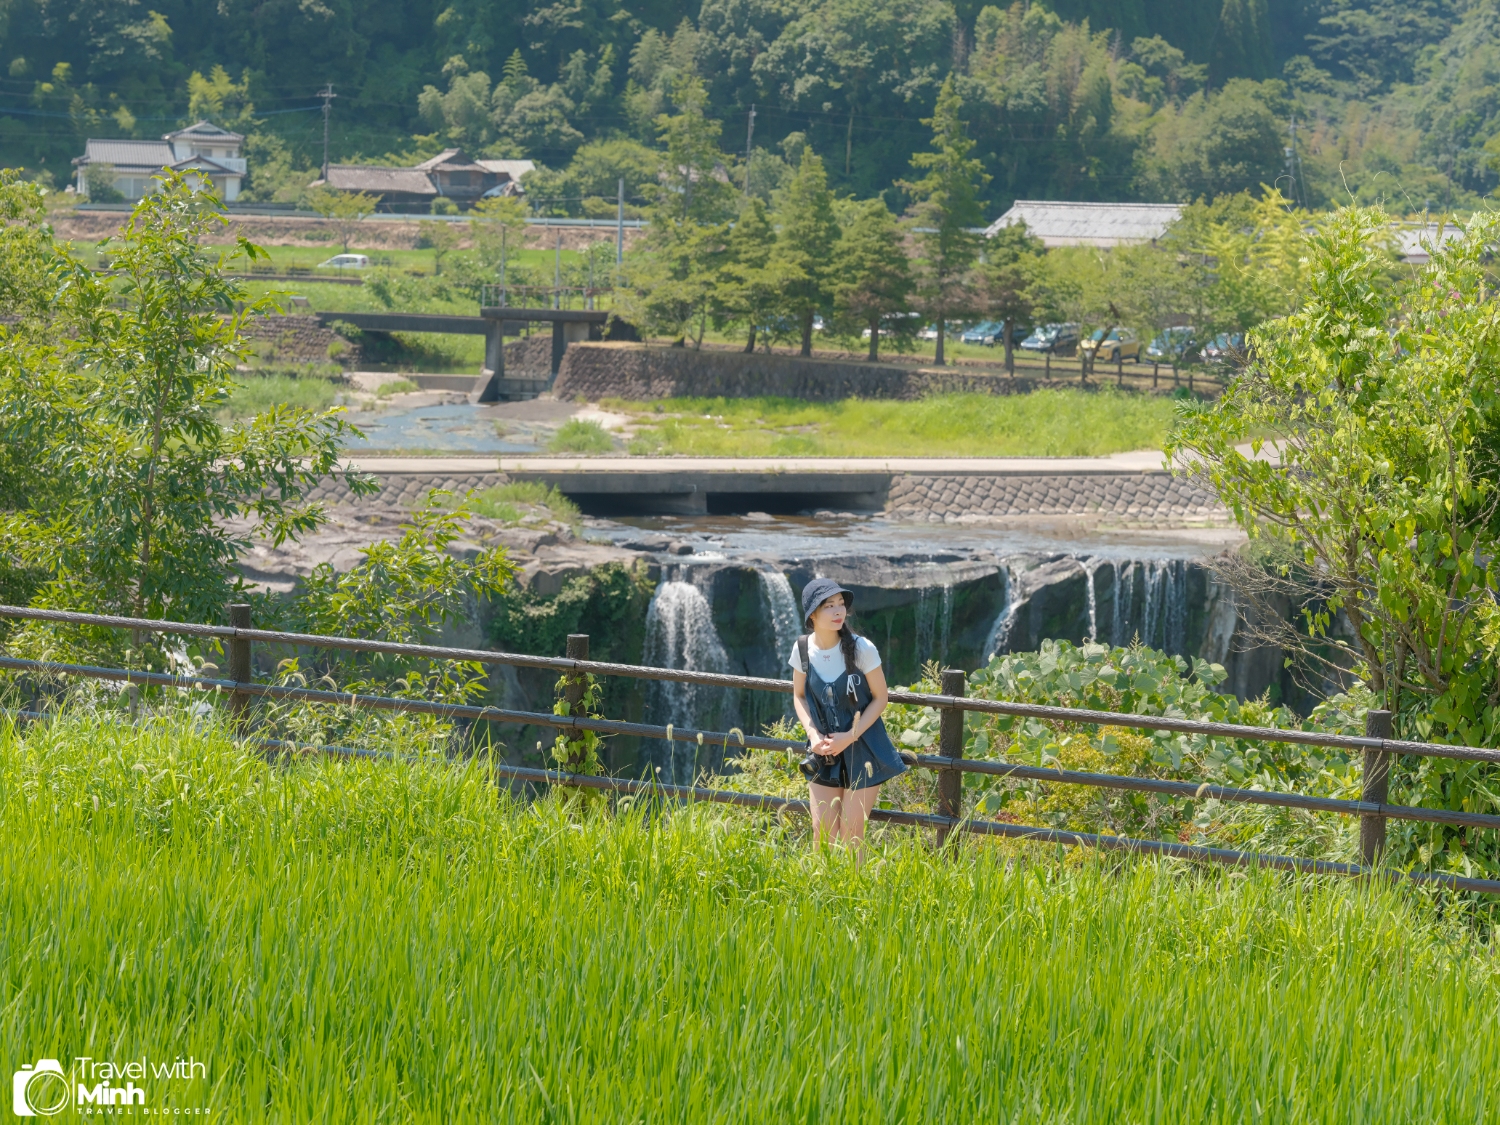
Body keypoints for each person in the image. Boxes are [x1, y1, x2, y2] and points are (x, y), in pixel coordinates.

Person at [789, 577, 906, 860]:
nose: (838, 611)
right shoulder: (803, 649)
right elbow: (799, 696)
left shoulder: (862, 648)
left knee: (852, 833)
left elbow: (881, 698)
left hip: (863, 748)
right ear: (812, 614)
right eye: (829, 606)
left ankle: (857, 896)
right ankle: (823, 896)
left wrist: (850, 736)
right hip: (824, 752)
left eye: (841, 604)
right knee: (822, 831)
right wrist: (813, 735)